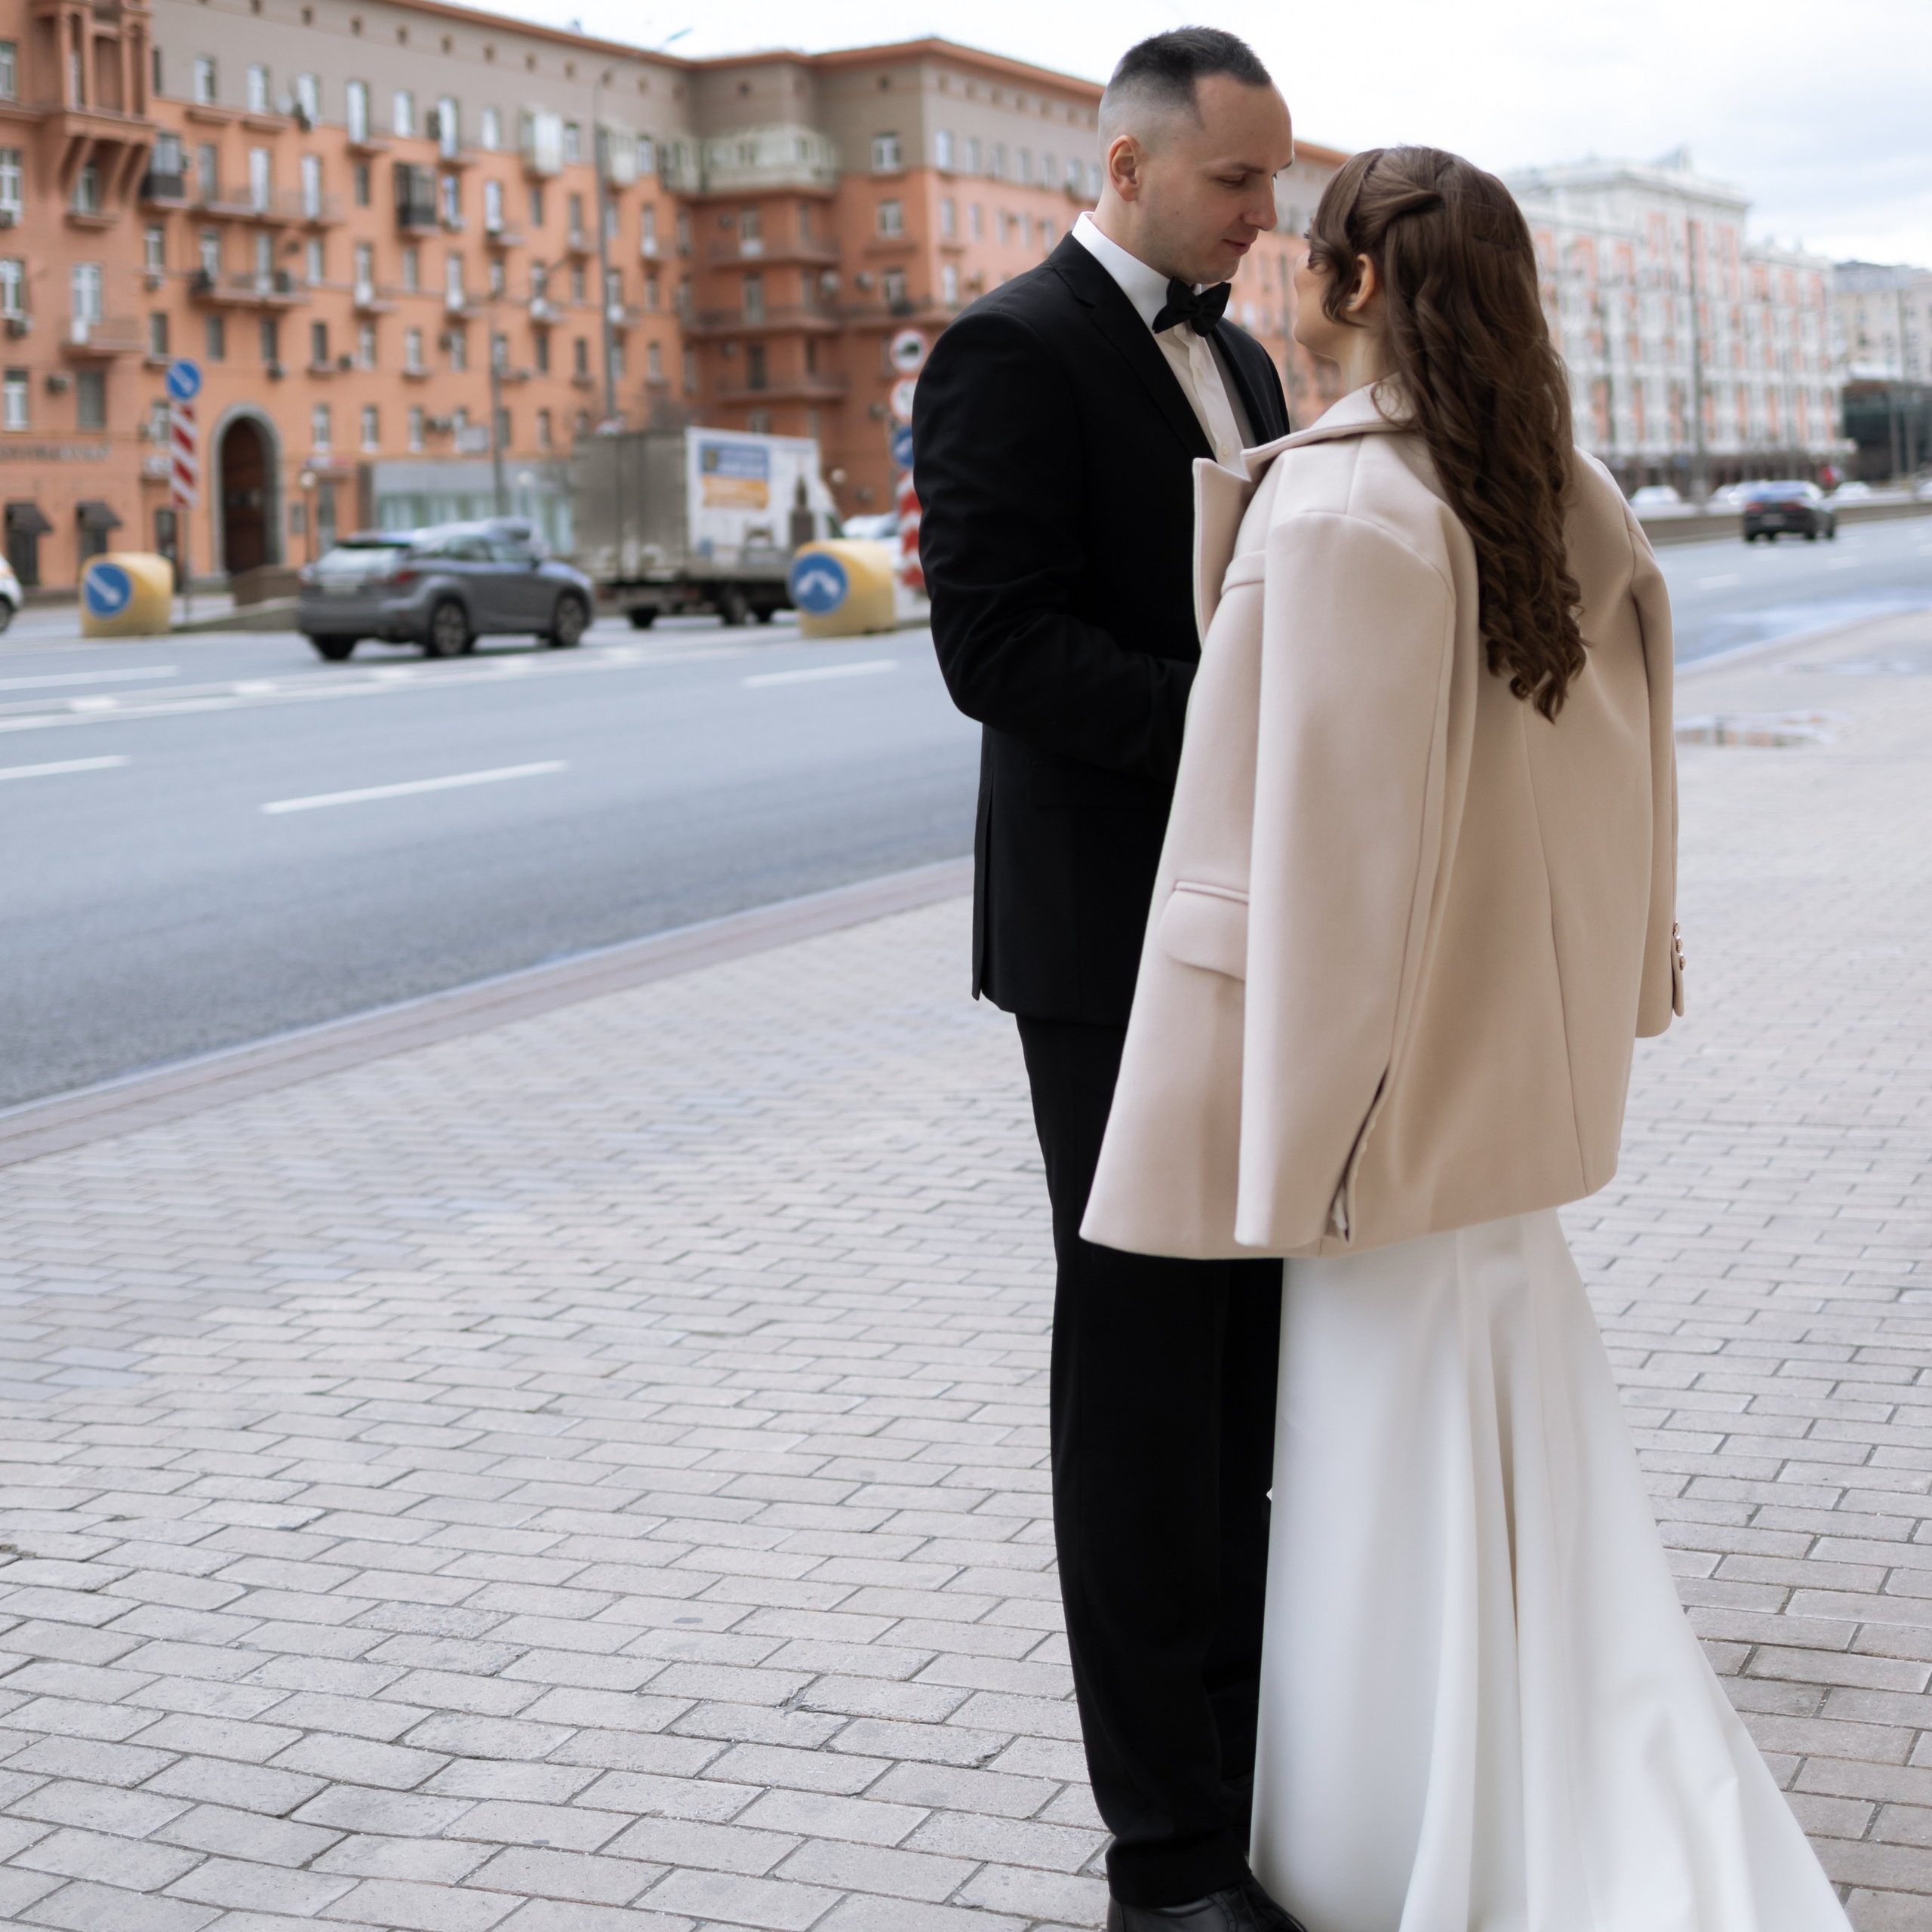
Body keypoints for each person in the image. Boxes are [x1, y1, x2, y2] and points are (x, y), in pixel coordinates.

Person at [1084, 146, 1854, 1932]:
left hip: (1386, 1104)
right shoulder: (1558, 486)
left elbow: (1339, 881)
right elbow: (1610, 804)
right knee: (1514, 1460)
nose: (1277, 271)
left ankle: (1402, 1841)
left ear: (1357, 285)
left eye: (1306, 253)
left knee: (1385, 1469)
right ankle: (1533, 1779)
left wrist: (1306, 1144)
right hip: (1505, 1085)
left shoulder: (1345, 511)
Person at [914, 29, 1300, 1932]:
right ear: (1132, 165)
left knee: (1249, 1371)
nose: (1264, 217)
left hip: (1252, 926)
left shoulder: (1237, 353)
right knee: (1143, 1379)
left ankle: (1244, 1780)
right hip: (1104, 944)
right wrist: (1242, 738)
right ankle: (1163, 1857)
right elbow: (993, 648)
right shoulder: (1007, 345)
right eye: (1238, 184)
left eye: (1274, 185)